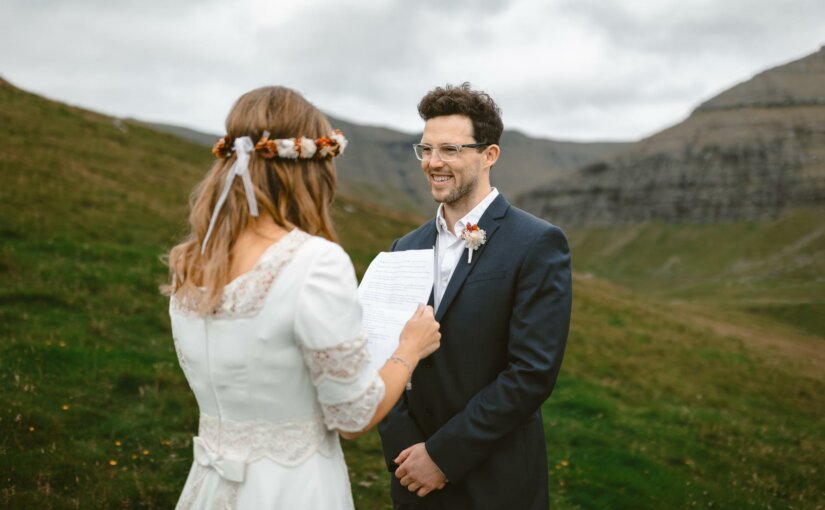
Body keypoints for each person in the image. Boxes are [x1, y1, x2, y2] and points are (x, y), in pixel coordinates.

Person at [163, 86, 441, 510]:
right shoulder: (314, 262)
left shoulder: (190, 264)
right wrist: (408, 348)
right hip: (292, 489)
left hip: (209, 486)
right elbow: (353, 418)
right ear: (312, 169)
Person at [377, 83, 573, 510]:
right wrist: (409, 450)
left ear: (489, 155)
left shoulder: (537, 242)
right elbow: (381, 350)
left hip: (496, 480)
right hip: (412, 478)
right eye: (426, 150)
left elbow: (531, 373)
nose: (433, 163)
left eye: (450, 149)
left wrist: (443, 456)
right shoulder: (404, 247)